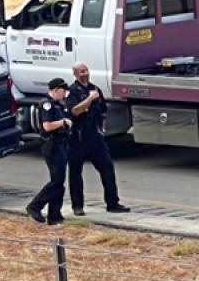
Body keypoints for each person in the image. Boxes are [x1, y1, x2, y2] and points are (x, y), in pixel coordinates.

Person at [67, 62, 128, 215]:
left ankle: (113, 203)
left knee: (107, 168)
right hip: (78, 137)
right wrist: (88, 100)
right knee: (75, 173)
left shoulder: (95, 89)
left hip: (95, 136)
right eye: (81, 71)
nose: (85, 73)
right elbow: (75, 111)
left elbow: (103, 111)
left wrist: (102, 128)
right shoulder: (72, 91)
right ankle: (77, 206)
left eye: (86, 70)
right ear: (75, 74)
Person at [25, 78, 73, 225]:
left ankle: (55, 215)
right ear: (55, 90)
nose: (64, 93)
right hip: (52, 144)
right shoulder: (46, 104)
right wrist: (63, 122)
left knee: (59, 182)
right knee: (56, 181)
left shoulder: (58, 104)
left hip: (61, 143)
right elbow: (47, 126)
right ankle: (35, 205)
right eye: (63, 90)